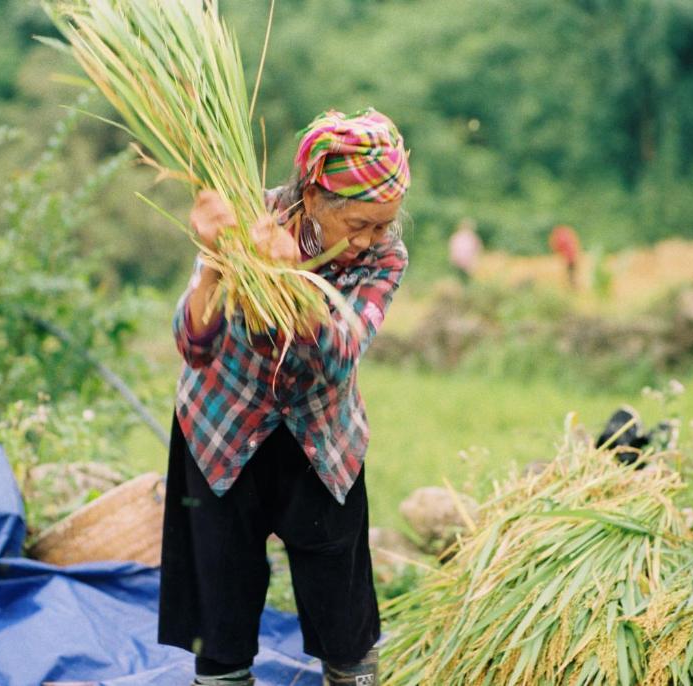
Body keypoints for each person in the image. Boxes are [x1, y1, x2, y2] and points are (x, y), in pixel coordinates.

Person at [157, 108, 411, 686]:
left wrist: (295, 284)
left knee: (344, 616)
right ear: (315, 195)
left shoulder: (384, 258)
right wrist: (215, 266)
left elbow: (339, 355)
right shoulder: (251, 222)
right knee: (219, 615)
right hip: (221, 429)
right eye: (361, 222)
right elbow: (193, 346)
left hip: (320, 438)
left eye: (384, 223)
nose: (373, 238)